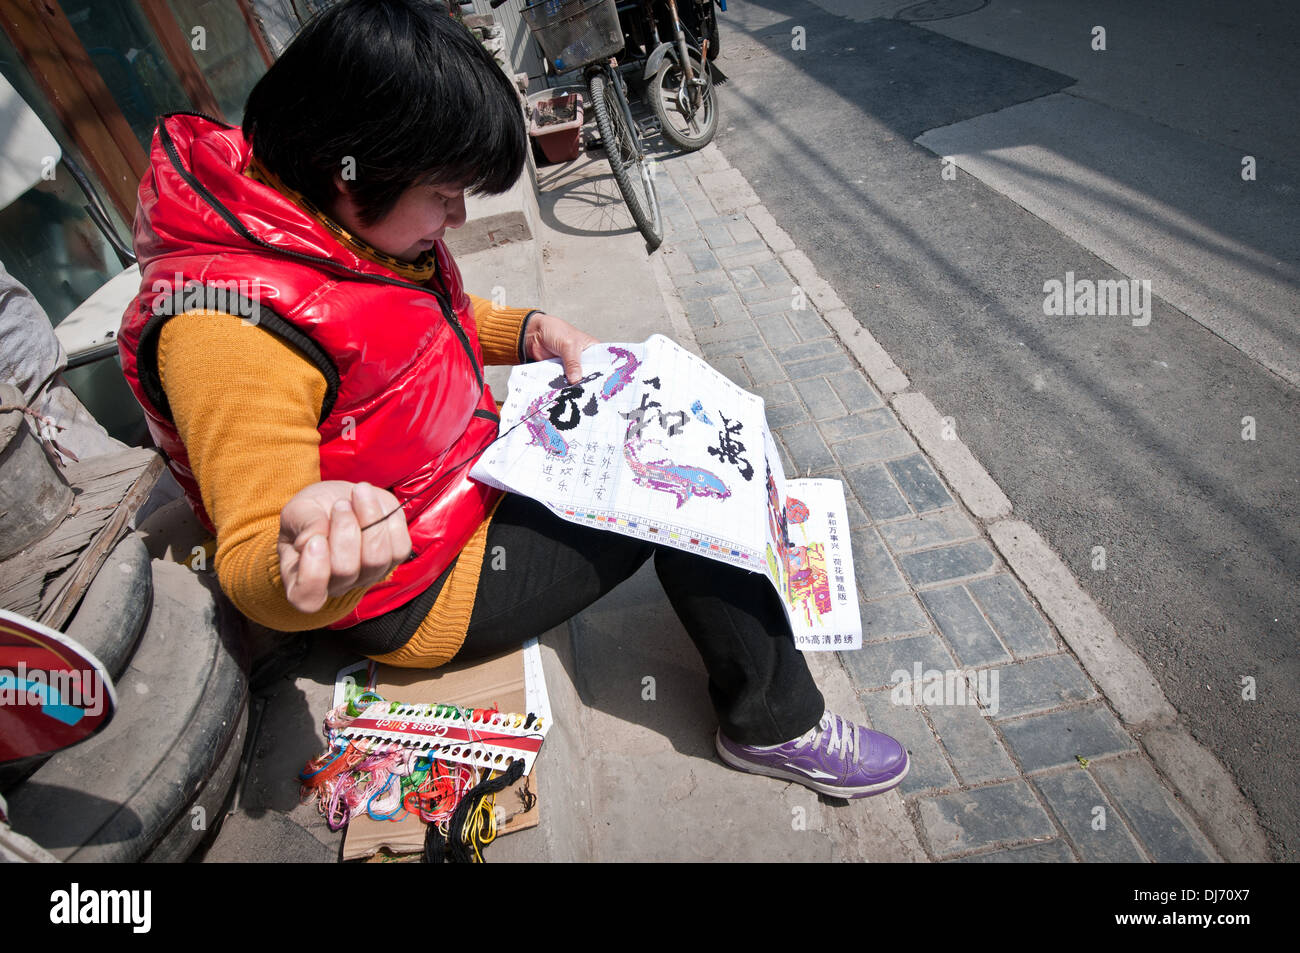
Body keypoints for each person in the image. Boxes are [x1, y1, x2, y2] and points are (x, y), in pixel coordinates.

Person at [117, 0, 908, 800]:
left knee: (667, 418)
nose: (458, 218)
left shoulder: (314, 218)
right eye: (444, 194)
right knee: (679, 489)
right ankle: (776, 722)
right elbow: (257, 554)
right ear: (346, 169)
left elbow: (416, 326)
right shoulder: (226, 330)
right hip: (422, 587)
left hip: (467, 482)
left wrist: (530, 331)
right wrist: (310, 557)